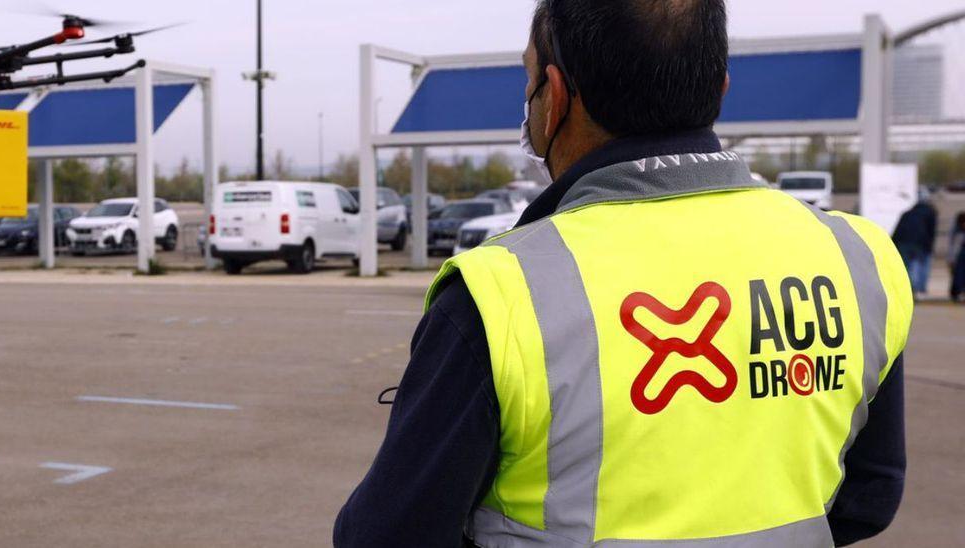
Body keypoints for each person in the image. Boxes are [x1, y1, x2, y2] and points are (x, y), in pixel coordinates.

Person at [334, 1, 913, 547]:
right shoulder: (857, 256)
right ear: (720, 89)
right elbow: (869, 494)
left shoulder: (502, 293)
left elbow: (388, 534)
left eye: (529, 82)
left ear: (553, 99)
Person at [891, 187, 938, 298]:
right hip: (920, 244)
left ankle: (909, 289)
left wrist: (893, 244)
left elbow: (898, 230)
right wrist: (930, 246)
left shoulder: (908, 213)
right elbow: (931, 231)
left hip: (903, 243)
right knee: (918, 266)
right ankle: (918, 289)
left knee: (906, 268)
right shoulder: (930, 213)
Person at [951, 212, 965, 302]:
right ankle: (958, 292)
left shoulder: (958, 233)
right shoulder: (958, 233)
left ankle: (958, 292)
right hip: (960, 257)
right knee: (959, 275)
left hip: (960, 257)